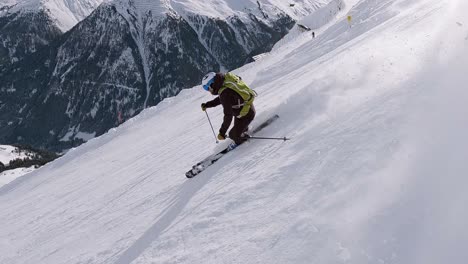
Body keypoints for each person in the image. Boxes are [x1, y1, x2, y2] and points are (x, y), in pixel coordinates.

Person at [200, 72, 256, 151]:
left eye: (207, 88)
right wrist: (207, 105)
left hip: (246, 114)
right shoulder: (224, 85)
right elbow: (222, 100)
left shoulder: (224, 93)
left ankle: (242, 140)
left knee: (232, 135)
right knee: (238, 129)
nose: (209, 91)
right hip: (245, 110)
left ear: (212, 84)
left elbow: (228, 115)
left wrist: (222, 133)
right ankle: (243, 131)